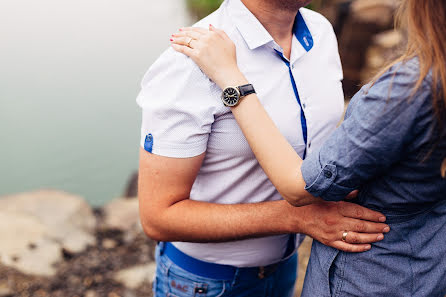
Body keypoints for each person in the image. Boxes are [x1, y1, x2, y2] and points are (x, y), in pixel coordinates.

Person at [170, 0, 446, 296]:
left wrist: (232, 80)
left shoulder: (405, 84)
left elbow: (299, 184)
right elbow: (159, 216)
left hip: (374, 276)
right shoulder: (189, 60)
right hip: (209, 280)